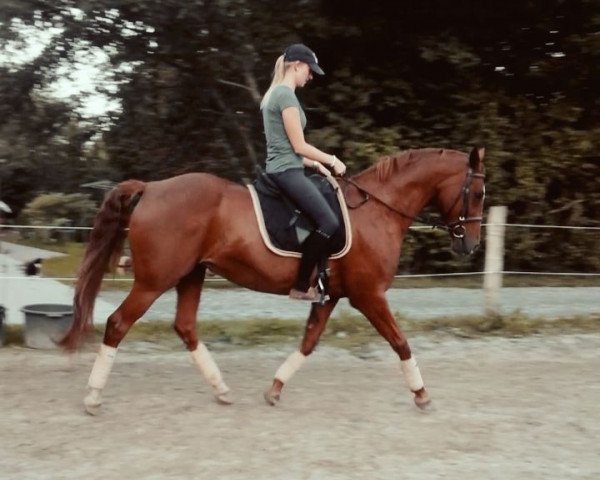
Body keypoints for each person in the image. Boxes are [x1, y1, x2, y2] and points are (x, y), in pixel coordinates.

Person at [260, 43, 347, 302]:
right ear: (296, 65)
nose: (310, 76)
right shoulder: (285, 96)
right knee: (329, 222)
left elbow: (284, 147)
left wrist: (315, 165)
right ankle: (300, 285)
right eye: (309, 70)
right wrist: (332, 160)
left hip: (288, 166)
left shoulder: (274, 94)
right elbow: (299, 146)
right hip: (286, 171)